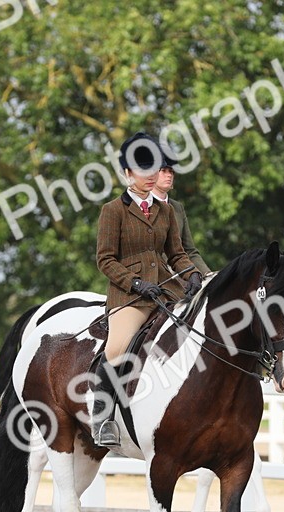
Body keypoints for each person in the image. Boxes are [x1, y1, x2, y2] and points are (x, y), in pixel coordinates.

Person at [91, 133, 208, 447]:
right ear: (128, 173)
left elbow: (177, 254)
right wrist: (134, 282)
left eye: (155, 168)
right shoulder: (112, 210)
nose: (152, 175)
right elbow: (105, 259)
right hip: (130, 296)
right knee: (117, 349)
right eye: (144, 170)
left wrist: (192, 275)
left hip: (166, 290)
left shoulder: (166, 211)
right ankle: (102, 419)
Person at [152, 163, 211, 277]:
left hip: (179, 272)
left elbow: (189, 251)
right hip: (152, 276)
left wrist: (207, 274)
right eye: (164, 171)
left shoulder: (177, 207)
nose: (169, 175)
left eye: (171, 172)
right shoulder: (142, 205)